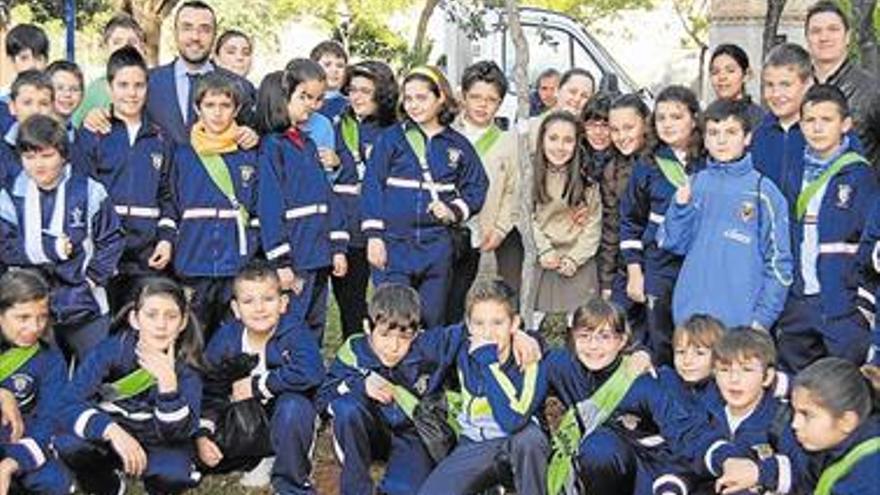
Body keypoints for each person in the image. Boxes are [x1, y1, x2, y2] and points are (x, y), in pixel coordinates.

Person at [361, 66, 488, 328]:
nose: (413, 105)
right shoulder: (391, 140)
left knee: (432, 319)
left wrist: (455, 209)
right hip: (394, 245)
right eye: (408, 98)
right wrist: (374, 237)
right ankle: (393, 368)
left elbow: (477, 186)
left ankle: (429, 369)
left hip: (436, 247)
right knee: (393, 318)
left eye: (421, 98)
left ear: (440, 97)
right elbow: (372, 185)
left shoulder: (457, 145)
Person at [55, 277, 204, 495]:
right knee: (69, 445)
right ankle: (108, 486)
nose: (161, 325)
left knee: (174, 475)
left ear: (182, 323)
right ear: (134, 319)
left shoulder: (188, 366)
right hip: (114, 429)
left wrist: (168, 386)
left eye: (171, 316)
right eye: (151, 315)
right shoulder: (111, 350)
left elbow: (179, 434)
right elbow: (68, 403)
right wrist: (111, 430)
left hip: (160, 439)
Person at [544, 298, 705, 495]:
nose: (593, 346)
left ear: (621, 340)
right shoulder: (564, 366)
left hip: (643, 469)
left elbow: (683, 430)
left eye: (604, 337)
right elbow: (535, 350)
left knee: (599, 448)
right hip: (590, 471)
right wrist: (526, 340)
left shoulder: (642, 376)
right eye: (584, 336)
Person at [658, 99, 793, 330]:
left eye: (731, 132)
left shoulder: (764, 192)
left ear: (747, 137)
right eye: (713, 133)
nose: (721, 140)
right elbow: (671, 243)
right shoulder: (694, 183)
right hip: (690, 321)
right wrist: (681, 208)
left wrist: (762, 320)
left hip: (741, 325)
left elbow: (779, 263)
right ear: (705, 139)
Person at [0, 115, 123, 362]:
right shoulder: (11, 194)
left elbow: (112, 241)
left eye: (47, 155)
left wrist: (90, 282)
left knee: (93, 379)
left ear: (64, 155)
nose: (38, 165)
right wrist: (52, 247)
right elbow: (6, 248)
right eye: (30, 156)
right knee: (35, 383)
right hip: (31, 309)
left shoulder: (89, 191)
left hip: (85, 306)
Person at [775, 84, 879, 372]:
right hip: (798, 302)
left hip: (842, 306)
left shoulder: (860, 175)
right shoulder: (795, 171)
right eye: (810, 120)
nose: (817, 128)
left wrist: (861, 306)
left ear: (845, 124)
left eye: (826, 120)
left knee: (846, 388)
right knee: (797, 383)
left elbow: (870, 245)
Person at [197, 261, 324, 493]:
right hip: (245, 416)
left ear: (283, 303)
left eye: (268, 299)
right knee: (202, 455)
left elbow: (312, 371)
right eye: (248, 301)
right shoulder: (226, 339)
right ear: (235, 309)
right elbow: (209, 389)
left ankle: (290, 478)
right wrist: (204, 432)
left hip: (286, 409)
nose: (259, 308)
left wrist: (257, 385)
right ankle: (260, 457)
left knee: (292, 408)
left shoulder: (295, 331)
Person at [417, 279, 549, 495]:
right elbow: (415, 343)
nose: (488, 333)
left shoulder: (531, 359)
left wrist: (489, 363)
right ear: (468, 326)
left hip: (513, 445)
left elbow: (512, 421)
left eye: (498, 323)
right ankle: (491, 486)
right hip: (474, 444)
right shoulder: (461, 342)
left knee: (530, 439)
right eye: (479, 323)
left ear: (514, 324)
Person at [72, 46, 175, 313]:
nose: (131, 93)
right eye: (123, 85)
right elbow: (81, 194)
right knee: (105, 334)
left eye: (139, 85)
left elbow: (167, 195)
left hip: (146, 258)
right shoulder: (93, 133)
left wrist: (165, 239)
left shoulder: (161, 139)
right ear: (109, 87)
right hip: (103, 255)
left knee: (144, 329)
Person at [82, 1, 258, 148]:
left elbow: (256, 144)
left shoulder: (241, 87)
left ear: (214, 35)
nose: (195, 36)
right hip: (159, 187)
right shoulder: (147, 83)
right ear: (175, 33)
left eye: (204, 29)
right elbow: (121, 124)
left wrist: (254, 137)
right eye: (187, 28)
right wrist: (96, 118)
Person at [258, 59, 348, 343]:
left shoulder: (307, 144)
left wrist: (337, 247)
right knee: (291, 326)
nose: (311, 105)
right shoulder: (272, 148)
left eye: (315, 98)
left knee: (315, 323)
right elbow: (270, 209)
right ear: (280, 100)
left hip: (318, 255)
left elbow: (327, 198)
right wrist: (281, 261)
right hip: (295, 258)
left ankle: (311, 380)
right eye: (303, 98)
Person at [166, 71, 260, 338]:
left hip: (235, 266)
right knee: (193, 340)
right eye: (209, 105)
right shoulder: (182, 155)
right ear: (197, 108)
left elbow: (256, 208)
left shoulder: (249, 155)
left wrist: (249, 248)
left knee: (233, 340)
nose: (217, 113)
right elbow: (171, 203)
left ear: (237, 109)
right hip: (192, 265)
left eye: (225, 105)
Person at [620, 85, 704, 364]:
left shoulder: (709, 161)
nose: (667, 124)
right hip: (658, 262)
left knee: (698, 333)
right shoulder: (648, 164)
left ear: (694, 119)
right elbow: (630, 221)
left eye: (676, 117)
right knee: (660, 333)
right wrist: (635, 271)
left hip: (700, 262)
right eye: (661, 117)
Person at [446, 61, 520, 323]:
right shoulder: (445, 132)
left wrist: (500, 228)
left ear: (500, 103)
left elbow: (514, 191)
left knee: (458, 297)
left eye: (491, 99)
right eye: (475, 97)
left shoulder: (507, 142)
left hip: (477, 233)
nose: (482, 105)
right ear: (463, 96)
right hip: (438, 230)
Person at [331, 60, 399, 338]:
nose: (356, 97)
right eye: (353, 89)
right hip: (347, 225)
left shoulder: (395, 131)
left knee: (390, 299)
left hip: (385, 226)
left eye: (365, 91)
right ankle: (354, 357)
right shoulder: (336, 124)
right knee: (350, 302)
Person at [696, 328, 804, 495]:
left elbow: (803, 472)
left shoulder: (782, 419)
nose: (734, 379)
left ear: (767, 377)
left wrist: (761, 474)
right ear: (714, 373)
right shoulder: (705, 410)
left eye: (747, 370)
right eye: (724, 370)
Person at [0, 270, 73, 494]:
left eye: (42, 316)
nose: (34, 327)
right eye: (23, 317)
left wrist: (12, 463)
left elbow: (51, 417)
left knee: (57, 483)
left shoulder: (50, 357)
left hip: (21, 437)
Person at [531, 111, 601, 325]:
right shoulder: (529, 173)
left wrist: (574, 258)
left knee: (579, 325)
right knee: (541, 326)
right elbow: (524, 216)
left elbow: (593, 224)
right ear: (542, 139)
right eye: (553, 139)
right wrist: (543, 249)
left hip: (577, 260)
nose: (560, 147)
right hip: (542, 258)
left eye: (568, 140)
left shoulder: (586, 178)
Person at [805, 0, 880, 167]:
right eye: (816, 31)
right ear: (807, 39)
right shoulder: (797, 90)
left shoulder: (872, 90)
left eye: (833, 29)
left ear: (847, 37)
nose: (824, 37)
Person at [789, 358, 878, 494]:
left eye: (807, 415)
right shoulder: (831, 446)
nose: (794, 424)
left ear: (846, 422)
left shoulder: (869, 474)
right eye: (794, 411)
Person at [601, 94, 650, 339]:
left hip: (660, 263)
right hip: (625, 264)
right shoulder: (612, 169)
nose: (622, 136)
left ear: (646, 124)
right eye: (615, 129)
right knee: (615, 327)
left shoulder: (661, 161)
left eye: (629, 127)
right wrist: (607, 282)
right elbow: (611, 227)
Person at [751, 43, 813, 188]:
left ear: (808, 84)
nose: (776, 94)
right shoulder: (757, 134)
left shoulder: (827, 134)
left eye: (785, 85)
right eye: (769, 85)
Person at [72, 13, 147, 128]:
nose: (125, 47)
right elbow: (77, 126)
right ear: (106, 48)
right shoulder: (93, 90)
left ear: (142, 47)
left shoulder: (157, 83)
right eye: (117, 42)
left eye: (132, 42)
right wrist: (89, 119)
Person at [0, 71, 55, 187]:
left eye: (44, 103)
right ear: (12, 107)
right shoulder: (3, 151)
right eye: (27, 103)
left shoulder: (66, 147)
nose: (35, 110)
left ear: (53, 107)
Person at [528, 68, 595, 153]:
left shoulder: (591, 135)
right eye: (572, 92)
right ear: (558, 91)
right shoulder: (531, 128)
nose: (577, 99)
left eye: (584, 96)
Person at [0, 24, 49, 136]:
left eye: (38, 58)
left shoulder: (55, 101)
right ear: (11, 61)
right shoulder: (2, 104)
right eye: (24, 58)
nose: (32, 65)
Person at [708, 43, 765, 130]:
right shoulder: (707, 114)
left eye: (730, 71)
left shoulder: (760, 119)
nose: (722, 77)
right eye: (715, 72)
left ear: (746, 75)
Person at [310, 40, 349, 123]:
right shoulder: (304, 103)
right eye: (327, 65)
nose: (334, 70)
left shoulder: (350, 106)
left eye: (340, 66)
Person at [580, 92, 614, 185]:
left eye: (605, 125)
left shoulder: (625, 164)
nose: (598, 132)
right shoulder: (574, 155)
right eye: (591, 124)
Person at [45, 61, 84, 141]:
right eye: (60, 88)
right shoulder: (31, 135)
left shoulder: (84, 141)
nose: (67, 94)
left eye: (74, 89)